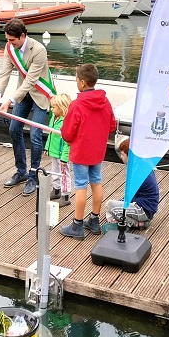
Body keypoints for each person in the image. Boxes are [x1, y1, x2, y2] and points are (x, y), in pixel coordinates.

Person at [0, 18, 54, 196]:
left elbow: (31, 80)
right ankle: (21, 171)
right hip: (23, 93)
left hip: (40, 94)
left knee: (36, 135)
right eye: (7, 40)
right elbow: (5, 74)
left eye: (12, 40)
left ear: (22, 36)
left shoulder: (39, 50)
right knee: (14, 130)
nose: (9, 43)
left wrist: (10, 101)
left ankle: (34, 174)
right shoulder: (10, 48)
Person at [58, 63, 116, 240]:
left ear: (82, 82)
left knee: (81, 185)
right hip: (97, 150)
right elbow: (112, 125)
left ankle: (77, 224)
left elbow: (67, 133)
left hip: (81, 151)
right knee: (96, 182)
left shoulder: (77, 105)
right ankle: (94, 219)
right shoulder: (105, 102)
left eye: (76, 79)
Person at [105, 135, 160, 229]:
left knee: (110, 205)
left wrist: (117, 204)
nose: (121, 157)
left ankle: (136, 223)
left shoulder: (137, 172)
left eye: (122, 154)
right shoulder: (141, 164)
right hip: (144, 204)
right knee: (110, 207)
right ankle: (120, 220)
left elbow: (129, 197)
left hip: (144, 209)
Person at [44, 93, 73, 207]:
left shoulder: (65, 122)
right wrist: (47, 147)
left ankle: (65, 196)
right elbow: (50, 134)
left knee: (64, 174)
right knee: (55, 171)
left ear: (61, 108)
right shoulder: (54, 118)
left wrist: (65, 157)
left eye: (53, 107)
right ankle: (56, 190)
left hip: (61, 154)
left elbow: (67, 142)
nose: (51, 109)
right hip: (54, 152)